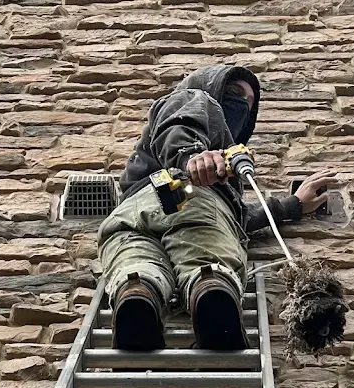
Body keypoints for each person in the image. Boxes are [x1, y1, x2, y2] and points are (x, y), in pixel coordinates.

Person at [98, 63, 331, 351]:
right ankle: (212, 296)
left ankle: (138, 295)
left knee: (136, 270)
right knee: (207, 268)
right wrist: (191, 157)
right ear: (212, 87)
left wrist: (292, 205)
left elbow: (240, 219)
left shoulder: (176, 153)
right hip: (193, 200)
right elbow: (180, 128)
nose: (242, 104)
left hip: (130, 217)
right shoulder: (196, 99)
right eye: (234, 93)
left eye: (248, 102)